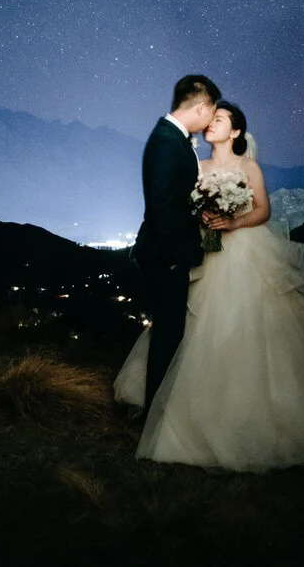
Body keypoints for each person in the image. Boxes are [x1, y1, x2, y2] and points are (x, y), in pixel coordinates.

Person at [115, 99, 304, 472]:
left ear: (235, 131)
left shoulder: (248, 166)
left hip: (245, 252)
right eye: (210, 119)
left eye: (220, 120)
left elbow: (263, 209)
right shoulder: (196, 166)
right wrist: (203, 214)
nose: (211, 124)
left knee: (246, 325)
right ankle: (192, 409)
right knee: (194, 327)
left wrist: (232, 222)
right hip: (205, 253)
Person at [129, 74, 220, 410]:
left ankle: (161, 409)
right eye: (212, 110)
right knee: (167, 336)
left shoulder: (173, 138)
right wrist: (173, 256)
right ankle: (157, 413)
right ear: (202, 106)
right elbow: (161, 204)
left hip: (169, 253)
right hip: (165, 257)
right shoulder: (168, 142)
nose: (212, 118)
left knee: (170, 334)